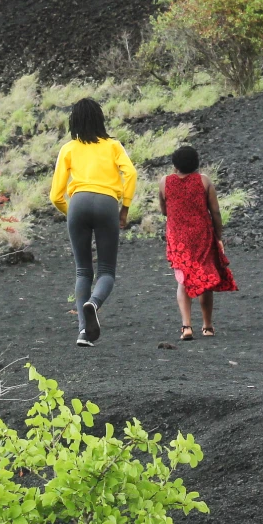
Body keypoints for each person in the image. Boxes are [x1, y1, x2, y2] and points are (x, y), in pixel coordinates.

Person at [49, 98, 137, 347]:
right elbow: (130, 173)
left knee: (82, 270)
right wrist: (125, 207)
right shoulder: (113, 145)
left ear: (73, 121)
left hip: (78, 203)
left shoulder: (68, 149)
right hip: (107, 203)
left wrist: (72, 213)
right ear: (100, 118)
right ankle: (94, 304)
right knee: (106, 270)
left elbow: (55, 195)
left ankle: (83, 333)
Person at [158, 145, 237, 340]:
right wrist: (218, 236)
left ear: (175, 165)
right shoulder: (204, 182)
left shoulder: (164, 182)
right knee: (205, 279)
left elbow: (164, 210)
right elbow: (215, 212)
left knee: (183, 280)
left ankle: (186, 327)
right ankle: (207, 326)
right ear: (196, 164)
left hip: (178, 240)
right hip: (202, 237)